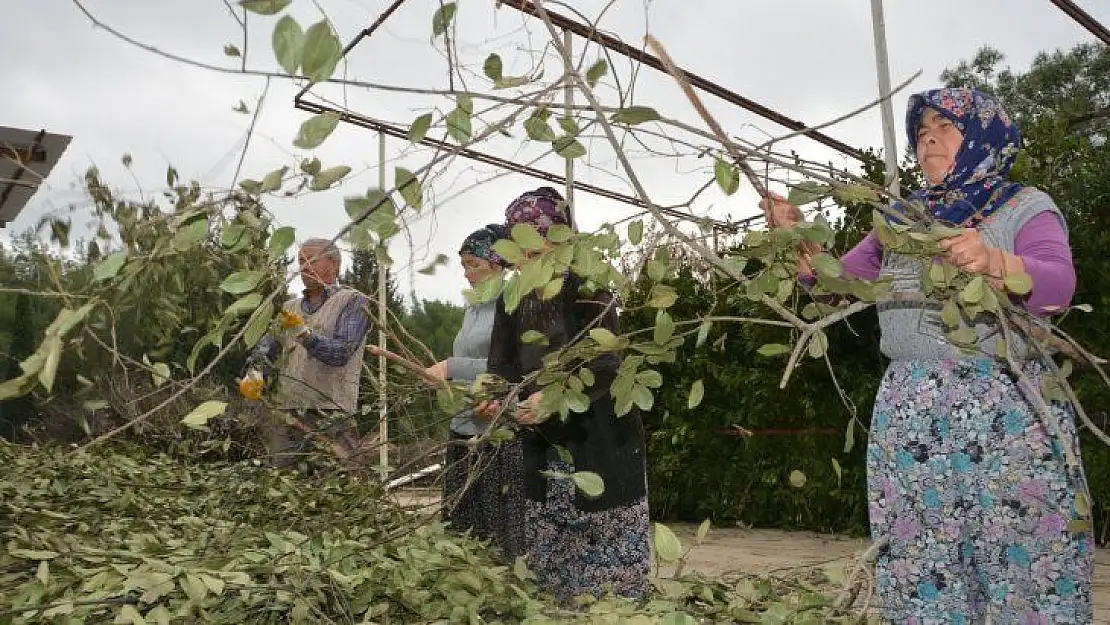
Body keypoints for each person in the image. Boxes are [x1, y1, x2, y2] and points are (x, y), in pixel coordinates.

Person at [762, 88, 1093, 623]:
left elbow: (1058, 286)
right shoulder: (900, 218)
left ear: (985, 136)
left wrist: (994, 260)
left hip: (1008, 411)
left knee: (1026, 559)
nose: (927, 137)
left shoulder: (1024, 205)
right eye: (920, 131)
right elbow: (838, 286)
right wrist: (800, 243)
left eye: (944, 125)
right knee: (922, 563)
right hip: (913, 417)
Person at [477, 187, 651, 604]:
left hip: (601, 438)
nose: (514, 252)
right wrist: (493, 394)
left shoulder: (589, 288)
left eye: (522, 240)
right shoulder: (513, 298)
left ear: (552, 239)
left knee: (608, 585)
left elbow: (605, 363)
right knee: (549, 573)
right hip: (543, 445)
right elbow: (501, 365)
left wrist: (552, 398)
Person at [426, 223, 526, 560]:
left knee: (497, 521)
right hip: (465, 423)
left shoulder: (513, 304)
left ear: (498, 264)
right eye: (464, 265)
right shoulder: (473, 308)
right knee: (462, 521)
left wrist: (452, 367)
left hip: (497, 426)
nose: (467, 273)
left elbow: (512, 365)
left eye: (475, 265)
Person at [242, 238, 372, 469]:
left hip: (331, 413)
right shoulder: (290, 308)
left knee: (336, 488)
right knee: (283, 486)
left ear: (333, 264)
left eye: (311, 260)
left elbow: (341, 353)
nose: (303, 267)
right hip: (288, 414)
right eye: (300, 261)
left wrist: (304, 335)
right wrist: (255, 371)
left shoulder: (353, 302)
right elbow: (267, 346)